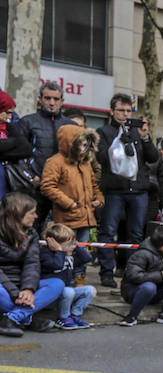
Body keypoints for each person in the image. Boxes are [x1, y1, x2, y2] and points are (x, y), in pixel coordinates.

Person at [96, 93, 161, 288]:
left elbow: (152, 158)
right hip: (114, 190)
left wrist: (145, 137)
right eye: (121, 110)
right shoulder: (104, 131)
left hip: (138, 190)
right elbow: (102, 158)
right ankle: (106, 272)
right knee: (107, 231)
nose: (125, 114)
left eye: (128, 110)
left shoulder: (137, 131)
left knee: (135, 235)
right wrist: (120, 142)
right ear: (112, 111)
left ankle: (131, 273)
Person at [39, 124, 104, 286]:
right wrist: (69, 203)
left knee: (80, 251)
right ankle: (63, 278)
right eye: (82, 143)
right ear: (71, 143)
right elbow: (47, 186)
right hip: (66, 218)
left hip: (86, 216)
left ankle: (79, 277)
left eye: (87, 144)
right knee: (65, 249)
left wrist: (99, 198)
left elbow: (94, 185)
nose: (86, 147)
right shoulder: (55, 162)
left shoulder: (85, 163)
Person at [0, 192, 64, 336]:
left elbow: (32, 264)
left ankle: (12, 318)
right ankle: (27, 319)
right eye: (32, 213)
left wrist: (28, 289)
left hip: (22, 283)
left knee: (57, 284)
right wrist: (16, 293)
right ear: (18, 213)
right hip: (4, 285)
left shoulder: (32, 234)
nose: (36, 217)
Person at [18, 82, 78, 231]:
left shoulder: (71, 126)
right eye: (48, 98)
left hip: (63, 189)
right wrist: (31, 177)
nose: (52, 103)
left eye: (56, 99)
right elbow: (18, 155)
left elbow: (80, 157)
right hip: (36, 187)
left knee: (63, 232)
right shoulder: (27, 122)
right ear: (40, 99)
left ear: (62, 101)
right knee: (30, 230)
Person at [118, 224, 163, 327]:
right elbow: (133, 275)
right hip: (134, 291)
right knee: (149, 287)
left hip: (155, 291)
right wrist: (159, 276)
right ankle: (132, 316)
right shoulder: (142, 254)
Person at [39, 223, 95, 330]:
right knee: (69, 291)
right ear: (55, 244)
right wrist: (60, 252)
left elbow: (87, 258)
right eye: (68, 244)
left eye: (73, 243)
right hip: (51, 295)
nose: (72, 247)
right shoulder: (45, 254)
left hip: (66, 294)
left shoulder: (70, 254)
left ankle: (75, 315)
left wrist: (76, 246)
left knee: (90, 290)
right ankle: (63, 318)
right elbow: (56, 264)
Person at [0, 90, 33, 200]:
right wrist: (15, 143)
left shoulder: (8, 127)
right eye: (7, 112)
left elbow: (26, 149)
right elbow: (19, 143)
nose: (10, 117)